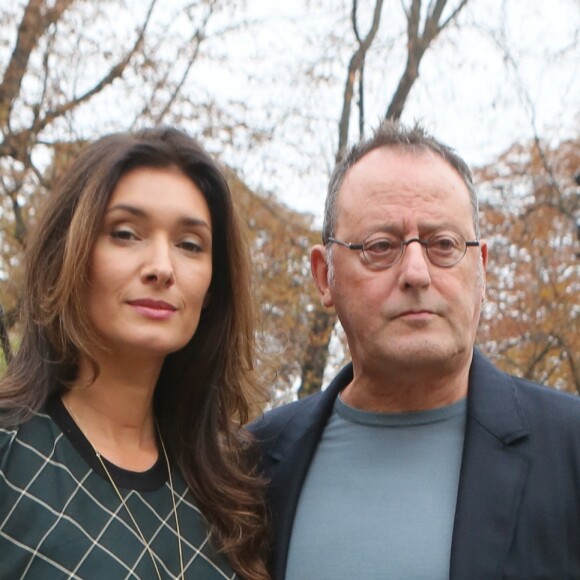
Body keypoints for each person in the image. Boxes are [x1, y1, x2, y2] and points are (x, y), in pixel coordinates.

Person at [251, 120, 580, 579]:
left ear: (481, 269)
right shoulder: (253, 465)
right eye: (380, 246)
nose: (416, 273)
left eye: (443, 244)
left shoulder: (570, 449)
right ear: (325, 276)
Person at [0, 128, 269, 579]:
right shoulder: (10, 456)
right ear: (70, 253)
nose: (162, 268)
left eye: (189, 245)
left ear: (211, 288)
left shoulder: (234, 493)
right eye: (126, 234)